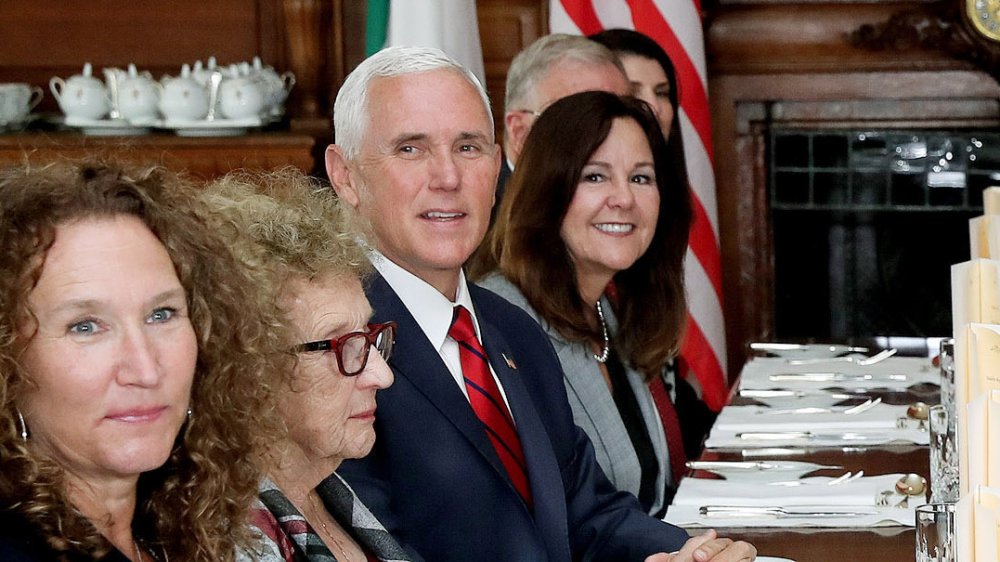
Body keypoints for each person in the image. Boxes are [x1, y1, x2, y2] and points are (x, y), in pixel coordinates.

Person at [326, 45, 755, 562]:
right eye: (411, 149)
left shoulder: (512, 329)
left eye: (468, 147)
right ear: (345, 175)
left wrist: (695, 553)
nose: (447, 177)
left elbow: (585, 511)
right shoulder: (334, 346)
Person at [0, 160, 283, 561]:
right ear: (8, 360)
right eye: (85, 326)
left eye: (162, 314)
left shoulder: (177, 522)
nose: (146, 370)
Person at [470, 90, 690, 514]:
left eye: (641, 177)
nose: (624, 198)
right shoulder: (502, 323)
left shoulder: (607, 311)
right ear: (547, 189)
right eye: (595, 176)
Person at [202, 170, 412, 562]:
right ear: (246, 367)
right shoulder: (220, 540)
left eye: (367, 335)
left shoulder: (332, 491)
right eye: (340, 344)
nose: (381, 375)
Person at [589, 28, 718, 459]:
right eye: (633, 90)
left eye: (663, 91)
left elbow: (662, 384)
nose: (653, 106)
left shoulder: (661, 207)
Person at [498, 34, 630, 206]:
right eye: (582, 119)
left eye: (621, 116)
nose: (609, 133)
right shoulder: (480, 219)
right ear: (521, 132)